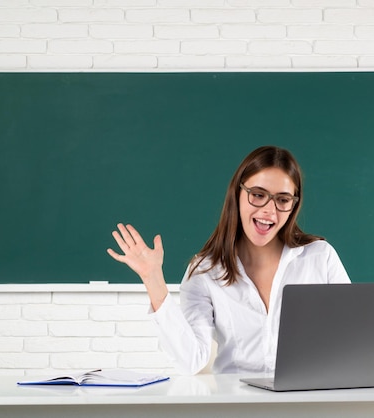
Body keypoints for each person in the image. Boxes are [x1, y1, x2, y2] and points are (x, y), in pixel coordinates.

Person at [107, 145, 350, 375]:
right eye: (258, 195)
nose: (269, 211)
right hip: (238, 402)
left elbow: (351, 336)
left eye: (283, 200)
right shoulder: (205, 271)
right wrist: (153, 280)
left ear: (293, 205)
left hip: (306, 399)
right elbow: (191, 361)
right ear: (238, 194)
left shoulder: (320, 256)